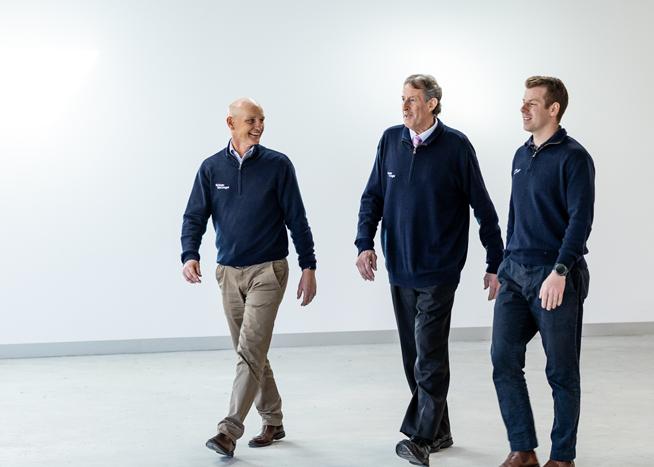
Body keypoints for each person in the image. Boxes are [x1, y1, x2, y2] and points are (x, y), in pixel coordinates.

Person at [355, 74, 504, 467]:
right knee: (413, 356)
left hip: (439, 270)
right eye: (402, 99)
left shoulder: (456, 146)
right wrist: (364, 243)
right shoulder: (390, 140)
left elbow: (483, 206)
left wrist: (495, 261)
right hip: (399, 267)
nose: (404, 106)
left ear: (433, 103)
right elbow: (373, 197)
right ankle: (440, 430)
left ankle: (420, 438)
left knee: (430, 354)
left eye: (412, 99)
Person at [180, 97, 317, 458]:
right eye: (251, 120)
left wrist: (309, 266)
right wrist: (190, 254)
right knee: (249, 353)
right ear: (231, 123)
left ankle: (228, 431)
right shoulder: (211, 168)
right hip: (228, 273)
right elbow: (194, 216)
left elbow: (297, 219)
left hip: (268, 271)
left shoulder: (278, 165)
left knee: (250, 351)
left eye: (262, 120)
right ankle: (273, 419)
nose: (259, 126)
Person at [491, 76, 594, 467]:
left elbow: (580, 221)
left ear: (554, 109)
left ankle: (562, 458)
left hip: (555, 276)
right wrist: (502, 265)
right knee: (503, 359)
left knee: (561, 371)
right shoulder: (520, 156)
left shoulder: (574, 157)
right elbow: (514, 215)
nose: (523, 108)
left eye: (532, 103)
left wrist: (561, 270)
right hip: (515, 274)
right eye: (523, 101)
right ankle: (523, 449)